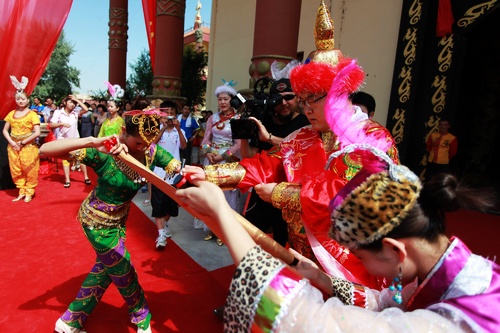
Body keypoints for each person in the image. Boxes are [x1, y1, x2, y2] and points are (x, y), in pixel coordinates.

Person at [183, 7, 399, 288]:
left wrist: (280, 193)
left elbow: (345, 195)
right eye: (303, 101)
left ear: (339, 93)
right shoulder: (304, 136)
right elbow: (263, 165)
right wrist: (209, 176)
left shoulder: (373, 139)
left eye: (314, 100)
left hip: (350, 261)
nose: (307, 109)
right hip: (302, 257)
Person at [177, 146, 499, 332]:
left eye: (360, 258)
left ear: (396, 250)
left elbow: (307, 321)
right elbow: (386, 304)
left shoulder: (465, 320)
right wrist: (320, 277)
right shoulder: (448, 271)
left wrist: (221, 211)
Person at [41, 109, 182, 333]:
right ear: (124, 131)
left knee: (107, 270)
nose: (144, 148)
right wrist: (92, 141)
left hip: (119, 221)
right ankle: (142, 318)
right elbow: (44, 149)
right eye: (138, 143)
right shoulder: (104, 152)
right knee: (123, 269)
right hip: (95, 221)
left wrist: (196, 179)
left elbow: (177, 169)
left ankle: (69, 322)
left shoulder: (149, 151)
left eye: (148, 143)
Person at [241, 62, 310, 247]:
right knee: (250, 236)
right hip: (262, 190)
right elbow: (249, 156)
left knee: (285, 244)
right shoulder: (264, 120)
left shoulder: (307, 122)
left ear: (298, 98)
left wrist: (269, 138)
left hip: (290, 193)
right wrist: (242, 136)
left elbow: (303, 147)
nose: (284, 103)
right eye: (277, 99)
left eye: (289, 97)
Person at [198, 82, 242, 246]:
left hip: (227, 161)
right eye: (220, 99)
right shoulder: (212, 118)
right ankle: (211, 227)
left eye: (226, 99)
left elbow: (238, 144)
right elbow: (205, 139)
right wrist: (208, 152)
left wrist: (222, 156)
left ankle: (224, 231)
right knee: (211, 195)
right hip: (211, 160)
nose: (223, 102)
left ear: (232, 100)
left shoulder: (238, 119)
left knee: (225, 196)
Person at [151, 101, 187, 249]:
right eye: (167, 113)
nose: (169, 116)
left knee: (172, 205)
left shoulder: (179, 131)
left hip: (175, 173)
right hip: (159, 173)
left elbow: (184, 146)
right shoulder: (157, 129)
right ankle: (160, 236)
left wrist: (178, 129)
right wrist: (163, 128)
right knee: (158, 204)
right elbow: (152, 144)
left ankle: (164, 224)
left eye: (172, 113)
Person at [2, 76, 40, 202]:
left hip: (28, 146)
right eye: (18, 99)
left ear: (27, 100)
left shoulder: (32, 114)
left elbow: (37, 132)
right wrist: (12, 142)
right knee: (16, 169)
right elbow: (4, 130)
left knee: (29, 169)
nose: (20, 101)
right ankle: (21, 190)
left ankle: (29, 191)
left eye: (23, 99)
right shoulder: (11, 114)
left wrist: (22, 142)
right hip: (13, 146)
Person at [50, 95, 91, 188]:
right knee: (66, 160)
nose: (73, 105)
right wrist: (60, 124)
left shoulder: (75, 113)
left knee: (81, 157)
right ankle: (67, 179)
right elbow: (51, 125)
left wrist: (77, 99)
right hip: (63, 140)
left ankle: (86, 177)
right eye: (71, 102)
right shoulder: (58, 112)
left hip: (75, 138)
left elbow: (86, 109)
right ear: (65, 102)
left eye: (74, 103)